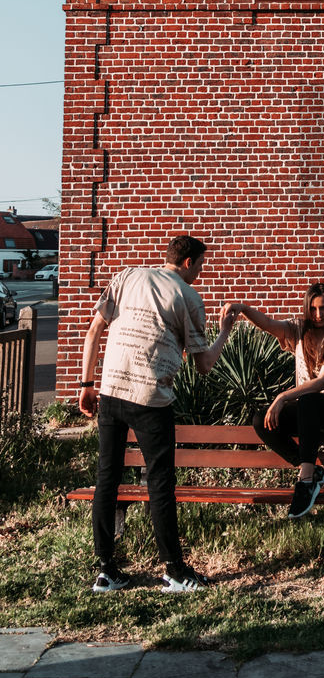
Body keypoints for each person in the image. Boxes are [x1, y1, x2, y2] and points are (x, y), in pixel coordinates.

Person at [79, 235, 238, 594]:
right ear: (187, 263)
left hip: (110, 391)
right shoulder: (187, 296)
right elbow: (204, 365)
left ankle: (106, 572)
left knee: (107, 479)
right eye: (200, 265)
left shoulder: (126, 276)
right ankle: (174, 572)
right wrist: (226, 330)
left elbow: (93, 331)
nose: (200, 272)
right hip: (151, 399)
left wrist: (86, 384)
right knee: (160, 484)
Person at [221, 282, 324, 518]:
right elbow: (268, 325)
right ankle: (312, 470)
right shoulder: (298, 330)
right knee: (261, 420)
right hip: (310, 411)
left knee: (308, 400)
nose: (319, 315)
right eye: (314, 309)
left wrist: (283, 397)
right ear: (307, 309)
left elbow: (321, 383)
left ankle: (305, 482)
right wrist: (242, 308)